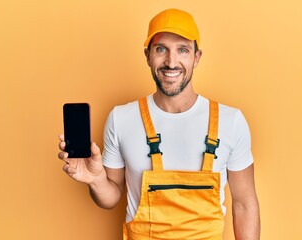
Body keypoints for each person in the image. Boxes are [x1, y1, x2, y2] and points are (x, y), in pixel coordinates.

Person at [58, 8, 260, 240]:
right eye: (161, 49)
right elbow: (110, 198)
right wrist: (96, 180)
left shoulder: (230, 121)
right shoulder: (121, 118)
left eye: (182, 50)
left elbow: (244, 204)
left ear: (196, 57)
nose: (171, 62)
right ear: (147, 56)